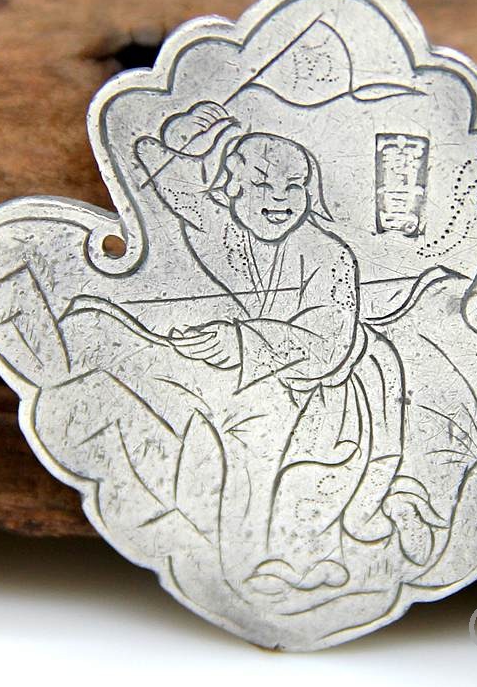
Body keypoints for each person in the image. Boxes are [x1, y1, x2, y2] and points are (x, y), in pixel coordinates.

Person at [135, 102, 406, 591]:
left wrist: (242, 341)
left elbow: (328, 344)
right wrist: (193, 136)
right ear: (230, 188)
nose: (279, 198)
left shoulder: (330, 255)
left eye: (294, 186)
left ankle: (301, 567)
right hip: (266, 381)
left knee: (302, 492)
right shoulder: (224, 230)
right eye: (261, 184)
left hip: (340, 390)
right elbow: (165, 178)